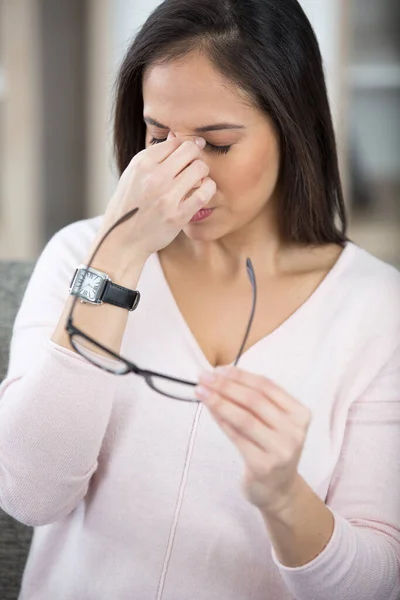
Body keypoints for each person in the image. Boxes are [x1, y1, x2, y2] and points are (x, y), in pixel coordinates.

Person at [0, 0, 399, 598]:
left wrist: (284, 498)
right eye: (158, 136)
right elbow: (30, 494)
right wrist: (117, 254)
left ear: (292, 129)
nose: (181, 170)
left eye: (215, 143)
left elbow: (374, 581)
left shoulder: (378, 308)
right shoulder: (78, 254)